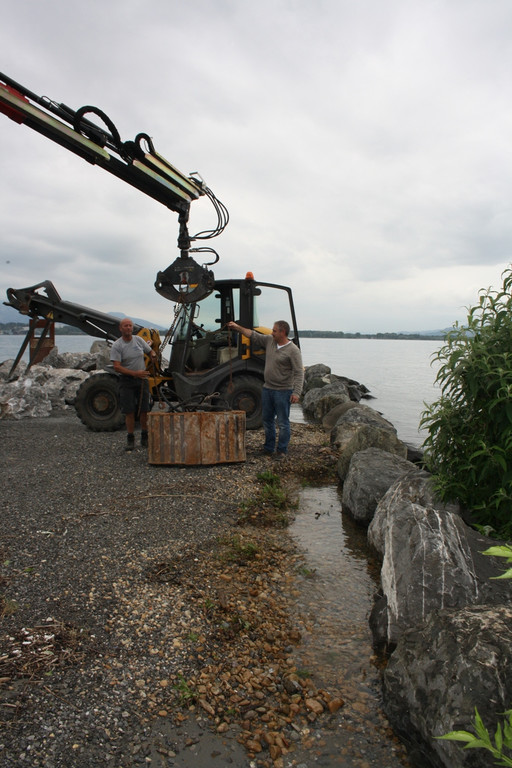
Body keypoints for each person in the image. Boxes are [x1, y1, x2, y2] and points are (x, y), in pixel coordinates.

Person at [227, 319, 304, 458]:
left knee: (283, 422)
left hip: (283, 391)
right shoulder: (270, 341)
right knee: (267, 420)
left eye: (274, 330)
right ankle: (268, 448)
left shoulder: (293, 350)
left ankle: (281, 450)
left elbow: (299, 372)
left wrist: (297, 392)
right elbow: (252, 335)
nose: (272, 332)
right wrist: (237, 327)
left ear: (282, 332)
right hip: (267, 389)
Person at [110, 318, 157, 451]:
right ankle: (130, 439)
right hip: (127, 381)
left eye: (130, 326)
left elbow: (149, 351)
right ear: (121, 328)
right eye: (126, 326)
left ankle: (144, 437)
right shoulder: (117, 345)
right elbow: (117, 367)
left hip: (142, 380)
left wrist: (153, 354)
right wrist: (134, 373)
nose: (129, 328)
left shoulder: (139, 340)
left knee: (144, 410)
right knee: (129, 411)